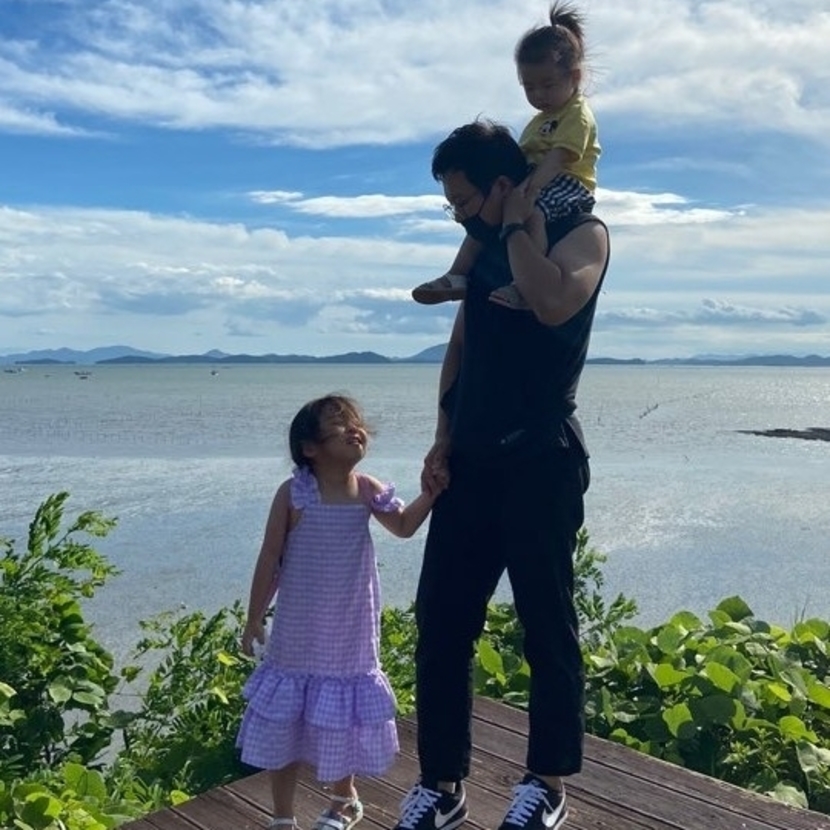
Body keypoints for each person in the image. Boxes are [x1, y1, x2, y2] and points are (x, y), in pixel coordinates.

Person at [394, 119, 609, 830]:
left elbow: (552, 302)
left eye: (464, 200)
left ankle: (546, 783)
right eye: (450, 204)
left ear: (503, 185)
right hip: (473, 458)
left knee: (546, 625)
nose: (459, 214)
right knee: (441, 621)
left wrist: (517, 225)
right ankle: (441, 784)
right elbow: (461, 343)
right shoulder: (482, 248)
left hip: (542, 459)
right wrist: (442, 436)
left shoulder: (585, 235)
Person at [236, 394, 443, 830]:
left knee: (342, 712)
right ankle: (282, 816)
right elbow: (271, 557)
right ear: (310, 447)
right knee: (286, 718)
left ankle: (343, 799)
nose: (355, 430)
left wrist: (430, 493)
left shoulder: (366, 489)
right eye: (339, 424)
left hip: (350, 624)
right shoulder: (295, 493)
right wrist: (254, 618)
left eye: (356, 423)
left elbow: (403, 526)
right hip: (298, 628)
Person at [412, 1, 600, 311]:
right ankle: (457, 275)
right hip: (538, 179)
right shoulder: (539, 121)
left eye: (547, 85)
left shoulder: (576, 115)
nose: (538, 95)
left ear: (575, 76)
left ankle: (524, 285)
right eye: (530, 87)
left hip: (567, 182)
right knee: (479, 226)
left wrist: (525, 193)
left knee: (534, 214)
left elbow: (559, 159)